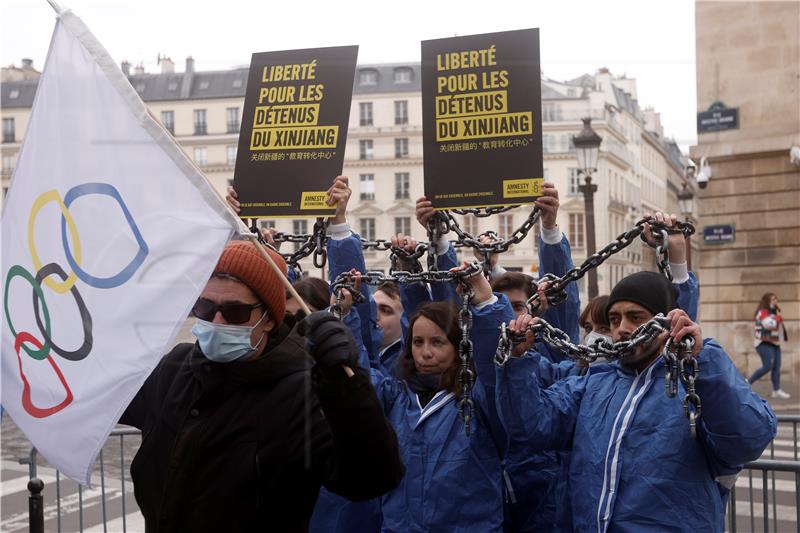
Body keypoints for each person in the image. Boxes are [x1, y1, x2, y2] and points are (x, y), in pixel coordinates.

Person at [119, 241, 404, 533]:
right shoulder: (175, 368)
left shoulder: (303, 391)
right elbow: (98, 398)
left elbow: (371, 478)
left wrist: (346, 386)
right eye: (204, 307)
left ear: (268, 319)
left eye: (235, 312)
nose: (216, 321)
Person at [493, 270, 777, 532]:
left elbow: (748, 439)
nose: (622, 329)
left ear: (664, 323)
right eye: (615, 319)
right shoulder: (594, 383)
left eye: (636, 317)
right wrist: (517, 361)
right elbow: (531, 427)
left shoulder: (692, 383)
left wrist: (702, 358)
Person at [339, 264, 513, 532]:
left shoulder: (477, 400)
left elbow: (496, 367)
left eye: (437, 342)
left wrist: (487, 303)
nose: (425, 353)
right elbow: (356, 373)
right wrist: (346, 313)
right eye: (418, 342)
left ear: (459, 347)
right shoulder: (397, 396)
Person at [749, 292, 791, 399]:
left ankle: (776, 390)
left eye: (776, 299)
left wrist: (781, 341)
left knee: (776, 367)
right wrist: (778, 318)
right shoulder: (763, 312)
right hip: (763, 343)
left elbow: (779, 329)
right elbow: (769, 324)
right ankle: (747, 383)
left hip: (774, 343)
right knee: (768, 366)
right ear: (767, 301)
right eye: (773, 299)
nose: (775, 301)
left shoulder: (775, 312)